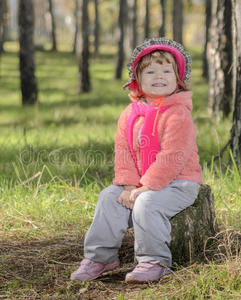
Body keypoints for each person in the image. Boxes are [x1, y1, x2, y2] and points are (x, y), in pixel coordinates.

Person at [71, 37, 203, 284]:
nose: (159, 76)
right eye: (151, 71)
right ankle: (100, 257)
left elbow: (172, 157)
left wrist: (146, 187)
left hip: (179, 183)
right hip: (141, 183)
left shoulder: (178, 114)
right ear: (137, 81)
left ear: (178, 79)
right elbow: (123, 152)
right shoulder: (131, 114)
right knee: (109, 198)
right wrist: (129, 185)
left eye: (167, 71)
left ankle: (154, 261)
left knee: (147, 203)